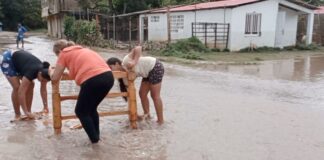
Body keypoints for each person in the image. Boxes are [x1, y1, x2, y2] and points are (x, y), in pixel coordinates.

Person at [50, 39, 114, 143]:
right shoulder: (83, 49)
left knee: (81, 111)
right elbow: (82, 67)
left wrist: (50, 71)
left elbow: (55, 78)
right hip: (108, 77)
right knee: (91, 109)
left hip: (93, 79)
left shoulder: (63, 53)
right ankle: (96, 137)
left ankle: (94, 141)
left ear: (59, 51)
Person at [107, 46, 165, 124]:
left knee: (155, 96)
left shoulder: (126, 60)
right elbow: (129, 94)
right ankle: (147, 115)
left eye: (110, 67)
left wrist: (134, 61)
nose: (110, 70)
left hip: (155, 66)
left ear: (117, 64)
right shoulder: (124, 77)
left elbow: (138, 48)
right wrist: (135, 113)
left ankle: (161, 121)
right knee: (142, 94)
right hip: (147, 74)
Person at [0, 49, 51, 120]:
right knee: (17, 87)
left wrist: (45, 107)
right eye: (42, 80)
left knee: (31, 85)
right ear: (39, 74)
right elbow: (21, 92)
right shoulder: (31, 71)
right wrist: (25, 111)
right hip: (9, 59)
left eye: (44, 81)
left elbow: (43, 91)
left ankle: (28, 112)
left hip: (21, 63)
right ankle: (17, 114)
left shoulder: (46, 72)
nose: (41, 82)